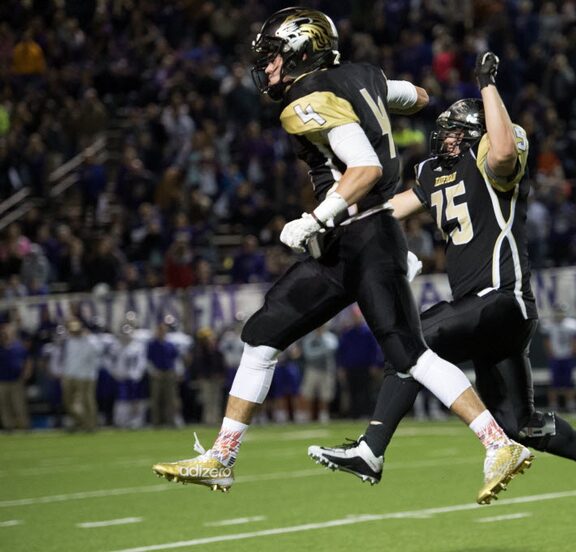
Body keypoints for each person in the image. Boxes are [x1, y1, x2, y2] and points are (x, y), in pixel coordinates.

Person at [153, 8, 532, 504]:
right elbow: (417, 97)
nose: (266, 69)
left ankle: (498, 443)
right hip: (349, 244)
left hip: (363, 236)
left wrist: (316, 216)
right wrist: (373, 98)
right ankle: (222, 457)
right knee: (261, 336)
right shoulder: (364, 75)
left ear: (300, 52)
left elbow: (365, 168)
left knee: (409, 354)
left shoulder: (303, 99)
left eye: (272, 58)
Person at [308, 57, 576, 516]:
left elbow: (506, 152)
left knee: (412, 339)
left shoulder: (492, 162)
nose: (443, 137)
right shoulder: (434, 173)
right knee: (521, 425)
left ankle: (371, 448)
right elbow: (390, 210)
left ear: (473, 134)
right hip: (485, 316)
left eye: (452, 131)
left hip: (504, 300)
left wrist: (488, 86)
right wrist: (333, 215)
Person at [61, 319, 100, 431]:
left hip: (86, 376)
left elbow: (97, 351)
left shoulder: (90, 340)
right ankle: (81, 421)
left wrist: (86, 337)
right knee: (68, 402)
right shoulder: (69, 341)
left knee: (87, 402)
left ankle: (91, 425)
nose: (73, 332)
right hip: (69, 374)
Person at [543, 304, 576, 412]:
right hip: (555, 357)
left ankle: (571, 404)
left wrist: (573, 351)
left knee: (569, 382)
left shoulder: (572, 325)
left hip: (568, 356)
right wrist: (551, 352)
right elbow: (547, 341)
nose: (560, 314)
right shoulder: (549, 324)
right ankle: (553, 404)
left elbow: (575, 340)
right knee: (554, 383)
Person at [297, 325, 338, 423]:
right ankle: (308, 417)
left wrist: (321, 339)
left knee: (325, 396)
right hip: (312, 369)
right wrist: (323, 351)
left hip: (327, 370)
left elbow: (333, 348)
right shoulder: (309, 338)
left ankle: (323, 417)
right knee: (308, 394)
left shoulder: (330, 336)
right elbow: (309, 355)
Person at [146, 322, 180, 427]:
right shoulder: (152, 345)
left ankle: (171, 421)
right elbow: (148, 359)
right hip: (157, 373)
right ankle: (156, 422)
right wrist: (153, 371)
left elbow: (175, 359)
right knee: (156, 398)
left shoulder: (169, 344)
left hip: (169, 372)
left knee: (170, 398)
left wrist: (177, 372)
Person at [0, 323, 32, 430]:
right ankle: (8, 426)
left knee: (19, 405)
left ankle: (24, 425)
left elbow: (27, 359)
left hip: (16, 380)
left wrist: (27, 372)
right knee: (4, 405)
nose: (5, 333)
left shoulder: (18, 346)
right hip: (2, 380)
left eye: (8, 331)